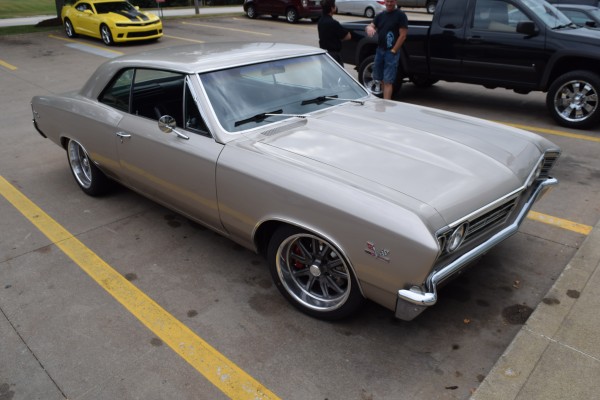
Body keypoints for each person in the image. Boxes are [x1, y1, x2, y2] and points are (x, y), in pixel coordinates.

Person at [365, 0, 408, 99]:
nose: (389, 3)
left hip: (391, 52)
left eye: (391, 1)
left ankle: (386, 103)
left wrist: (394, 50)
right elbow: (371, 25)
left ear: (395, 1)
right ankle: (384, 102)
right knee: (381, 79)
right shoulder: (380, 15)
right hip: (380, 50)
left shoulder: (401, 15)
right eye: (387, 1)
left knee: (388, 81)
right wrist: (369, 27)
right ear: (384, 1)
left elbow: (403, 35)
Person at [318, 0, 351, 66]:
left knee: (325, 72)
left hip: (324, 54)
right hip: (334, 55)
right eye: (334, 6)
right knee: (338, 72)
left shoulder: (320, 21)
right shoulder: (334, 23)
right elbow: (348, 36)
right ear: (332, 8)